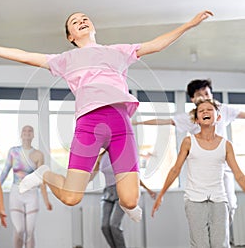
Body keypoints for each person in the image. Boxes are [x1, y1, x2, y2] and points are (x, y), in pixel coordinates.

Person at [0, 10, 213, 222]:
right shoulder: (65, 59)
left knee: (130, 200)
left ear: (93, 26)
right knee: (71, 197)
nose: (81, 20)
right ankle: (43, 174)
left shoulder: (118, 51)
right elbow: (24, 55)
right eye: (74, 21)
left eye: (84, 17)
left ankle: (126, 202)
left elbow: (156, 44)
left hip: (120, 125)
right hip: (89, 126)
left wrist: (189, 25)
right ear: (71, 36)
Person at [133, 79, 245, 225]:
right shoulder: (190, 119)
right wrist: (136, 122)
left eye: (207, 93)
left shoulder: (224, 111)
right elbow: (165, 121)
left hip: (223, 171)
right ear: (193, 100)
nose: (205, 97)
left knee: (228, 210)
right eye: (200, 95)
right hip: (202, 175)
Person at [151, 99, 245, 248]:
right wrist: (161, 195)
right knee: (200, 245)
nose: (205, 112)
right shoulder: (189, 142)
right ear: (196, 120)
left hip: (219, 200)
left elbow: (238, 174)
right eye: (201, 111)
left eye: (209, 110)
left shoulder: (226, 145)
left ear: (218, 117)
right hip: (194, 200)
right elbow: (175, 169)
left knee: (220, 244)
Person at [0, 125, 52, 248]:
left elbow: (41, 179)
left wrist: (46, 201)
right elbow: (5, 172)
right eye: (25, 130)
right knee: (19, 229)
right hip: (16, 193)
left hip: (32, 194)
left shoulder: (38, 154)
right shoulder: (13, 151)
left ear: (33, 135)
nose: (27, 133)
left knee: (29, 231)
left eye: (30, 131)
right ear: (21, 134)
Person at [91, 150, 156, 248]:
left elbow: (132, 175)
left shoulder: (121, 153)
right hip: (108, 193)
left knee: (114, 225)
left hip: (121, 192)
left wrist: (148, 189)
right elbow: (91, 175)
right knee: (104, 226)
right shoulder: (101, 156)